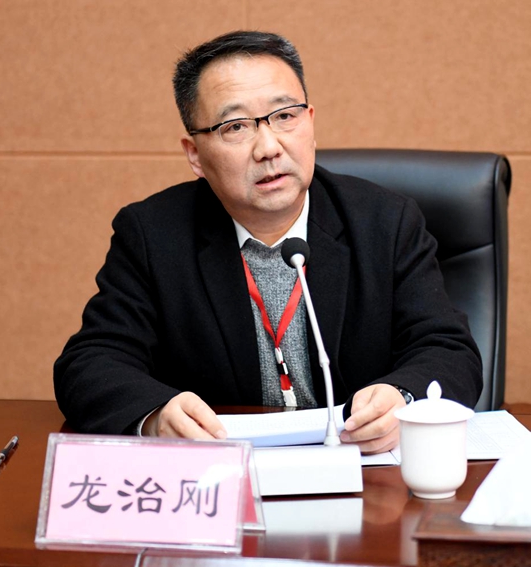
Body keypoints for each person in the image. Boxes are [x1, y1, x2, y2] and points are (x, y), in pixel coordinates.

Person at [54, 30, 482, 454]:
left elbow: (448, 349)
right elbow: (90, 363)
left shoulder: (385, 222)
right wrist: (156, 415)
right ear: (194, 154)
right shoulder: (153, 234)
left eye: (284, 116)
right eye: (235, 126)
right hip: (223, 474)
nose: (268, 147)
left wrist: (403, 398)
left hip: (360, 470)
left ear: (310, 122)